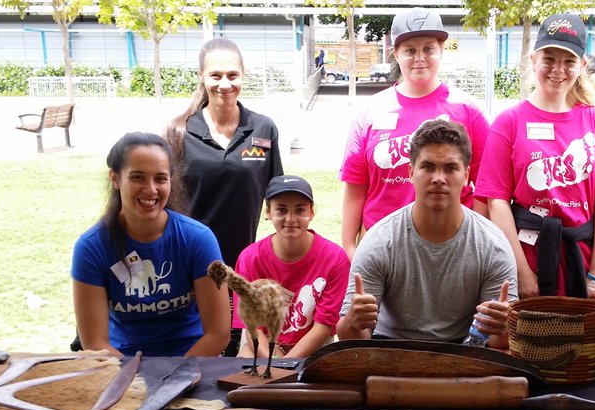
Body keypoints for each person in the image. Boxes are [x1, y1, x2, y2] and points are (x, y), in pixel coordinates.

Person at [476, 12, 595, 300]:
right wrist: (521, 272)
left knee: (581, 343)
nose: (558, 69)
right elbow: (496, 202)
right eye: (549, 59)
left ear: (582, 65)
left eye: (569, 61)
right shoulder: (509, 121)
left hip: (579, 258)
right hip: (527, 254)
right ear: (534, 60)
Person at [336, 119, 517, 347]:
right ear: (411, 172)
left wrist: (502, 327)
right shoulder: (380, 240)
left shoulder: (492, 245)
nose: (439, 178)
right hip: (389, 348)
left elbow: (501, 342)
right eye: (428, 167)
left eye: (450, 168)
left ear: (467, 175)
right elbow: (350, 339)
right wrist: (353, 320)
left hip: (464, 351)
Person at [338, 7, 490, 260]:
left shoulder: (468, 109)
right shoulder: (370, 111)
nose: (420, 57)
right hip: (382, 245)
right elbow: (356, 184)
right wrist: (348, 245)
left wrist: (475, 234)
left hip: (450, 244)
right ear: (396, 54)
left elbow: (486, 184)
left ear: (441, 50)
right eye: (409, 50)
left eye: (428, 48)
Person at [165, 37, 283, 355]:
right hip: (192, 265)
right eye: (215, 75)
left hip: (244, 264)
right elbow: (166, 201)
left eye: (232, 75)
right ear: (202, 78)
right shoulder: (179, 132)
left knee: (235, 354)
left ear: (243, 76)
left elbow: (276, 196)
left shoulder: (262, 130)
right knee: (197, 350)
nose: (224, 84)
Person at [71, 132, 231, 357]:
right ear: (115, 178)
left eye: (160, 178)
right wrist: (137, 381)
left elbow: (218, 334)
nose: (151, 189)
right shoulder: (91, 247)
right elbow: (95, 343)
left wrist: (174, 377)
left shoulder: (199, 239)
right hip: (121, 366)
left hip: (191, 362)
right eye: (138, 177)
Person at [232, 175, 350, 359]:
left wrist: (286, 365)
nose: (290, 218)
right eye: (281, 209)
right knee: (246, 372)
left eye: (300, 209)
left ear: (312, 212)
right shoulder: (250, 258)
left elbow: (323, 327)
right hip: (260, 344)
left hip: (314, 347)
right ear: (268, 212)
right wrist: (277, 362)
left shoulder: (335, 258)